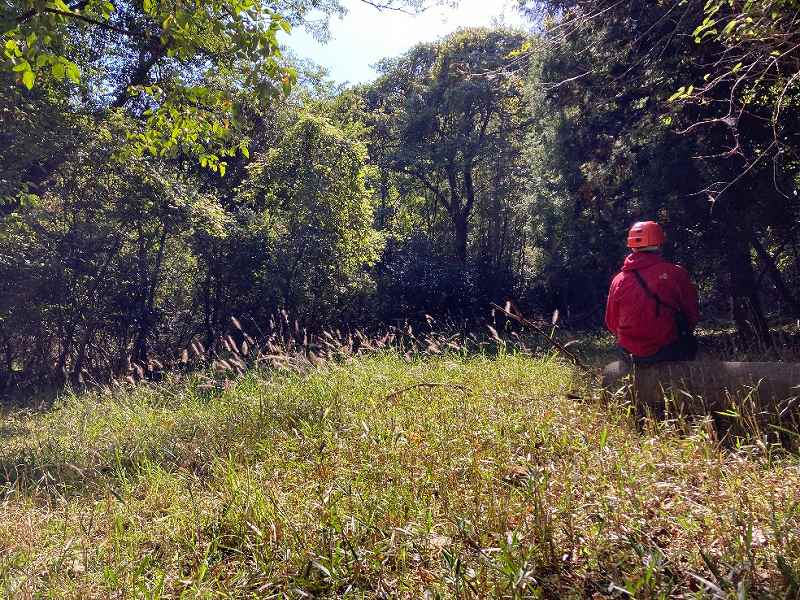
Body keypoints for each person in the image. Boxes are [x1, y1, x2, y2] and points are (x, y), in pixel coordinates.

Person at [605, 221, 700, 364]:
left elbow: (611, 322)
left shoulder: (618, 280)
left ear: (631, 245)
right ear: (659, 243)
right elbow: (692, 313)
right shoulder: (675, 273)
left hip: (631, 354)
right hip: (669, 350)